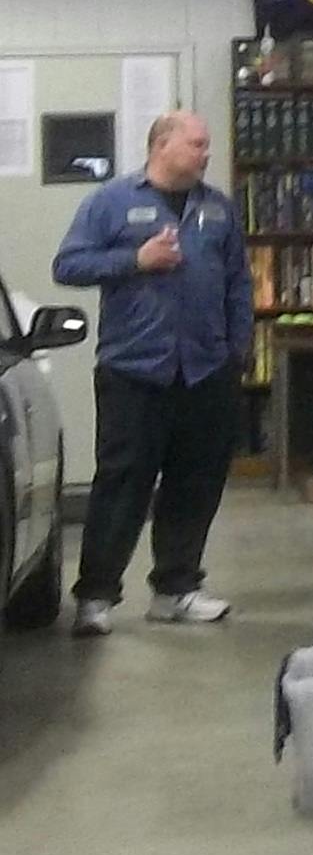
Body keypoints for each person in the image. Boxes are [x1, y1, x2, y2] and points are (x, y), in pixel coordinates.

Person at [55, 109, 254, 634]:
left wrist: (237, 350)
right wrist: (135, 260)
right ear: (161, 145)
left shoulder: (218, 208)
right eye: (196, 143)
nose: (206, 153)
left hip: (205, 371)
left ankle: (176, 589)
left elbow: (238, 282)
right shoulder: (111, 201)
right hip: (134, 371)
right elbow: (68, 265)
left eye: (206, 144)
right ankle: (96, 596)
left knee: (195, 483)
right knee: (122, 485)